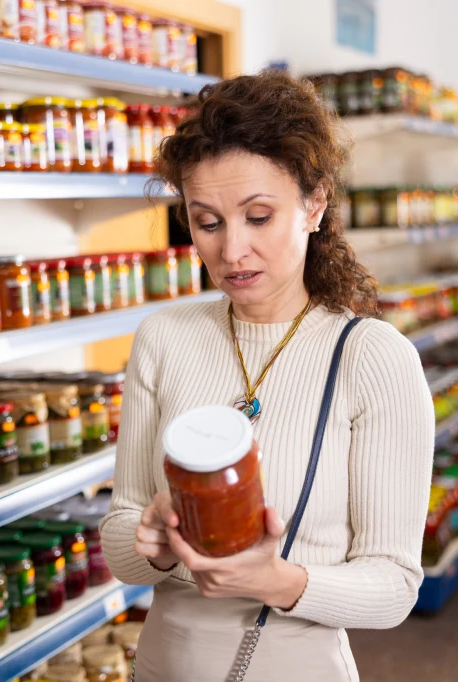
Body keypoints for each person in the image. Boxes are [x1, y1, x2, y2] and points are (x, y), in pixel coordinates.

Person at [99, 71, 434, 681]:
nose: (231, 251)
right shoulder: (163, 338)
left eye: (258, 216)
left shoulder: (373, 358)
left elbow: (394, 586)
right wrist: (149, 539)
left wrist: (277, 580)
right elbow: (122, 542)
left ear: (315, 204)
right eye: (207, 222)